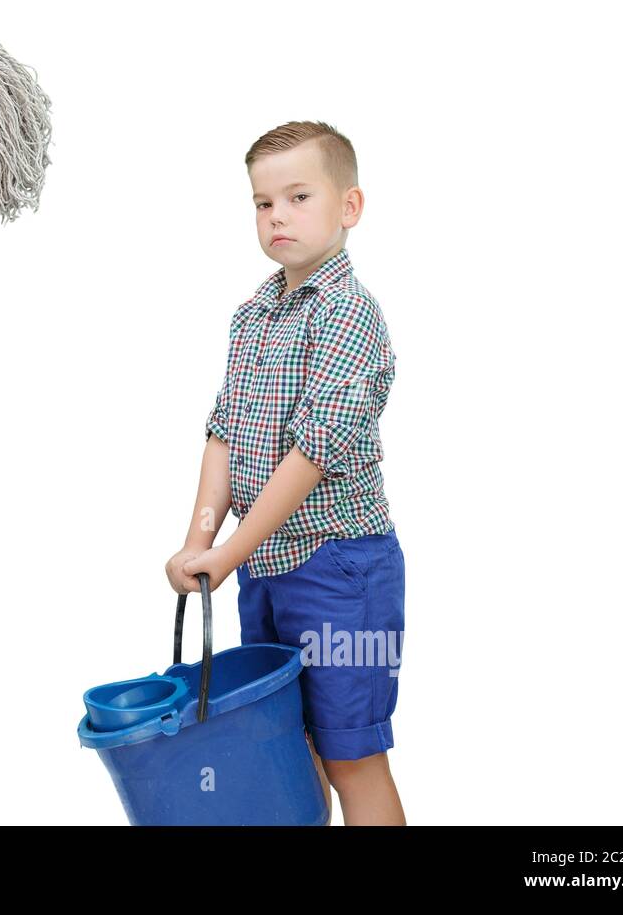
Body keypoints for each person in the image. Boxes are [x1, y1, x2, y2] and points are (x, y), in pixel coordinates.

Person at [165, 122, 407, 825]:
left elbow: (311, 454)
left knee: (350, 752)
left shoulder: (350, 315)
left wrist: (228, 552)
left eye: (299, 197)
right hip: (265, 569)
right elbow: (223, 435)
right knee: (286, 744)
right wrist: (199, 541)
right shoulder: (252, 315)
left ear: (348, 207)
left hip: (341, 572)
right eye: (263, 203)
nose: (277, 217)